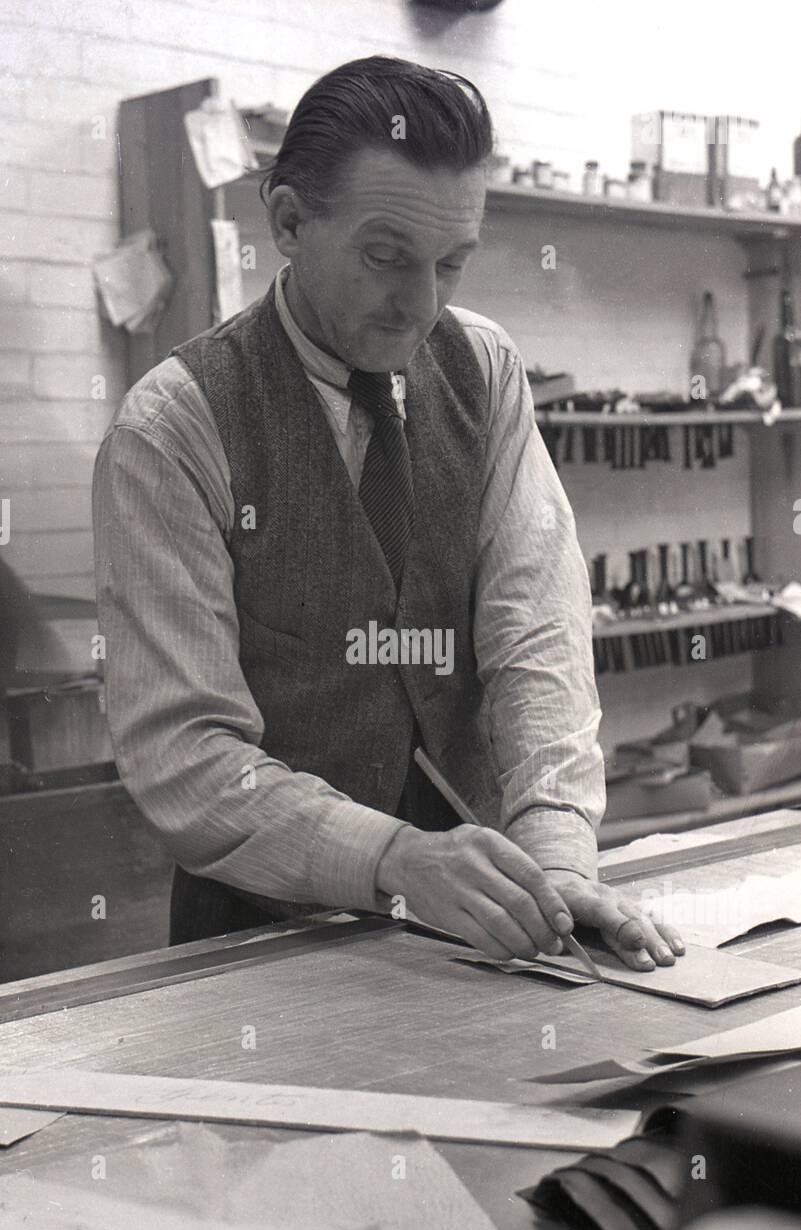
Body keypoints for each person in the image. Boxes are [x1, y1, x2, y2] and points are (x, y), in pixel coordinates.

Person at [93, 55, 683, 971]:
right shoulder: (174, 430)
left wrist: (556, 847)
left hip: (484, 929)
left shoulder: (482, 368)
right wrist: (392, 857)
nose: (422, 304)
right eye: (385, 258)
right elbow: (186, 754)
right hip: (262, 936)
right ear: (288, 221)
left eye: (451, 263)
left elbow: (537, 629)